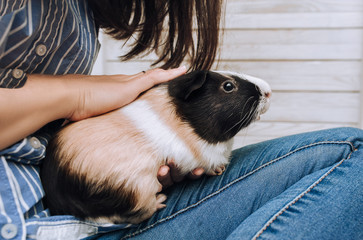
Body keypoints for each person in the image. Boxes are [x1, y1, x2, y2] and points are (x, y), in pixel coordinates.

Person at [0, 1, 362, 239]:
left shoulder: (84, 13)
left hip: (75, 213)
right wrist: (76, 94)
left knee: (349, 150)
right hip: (29, 228)